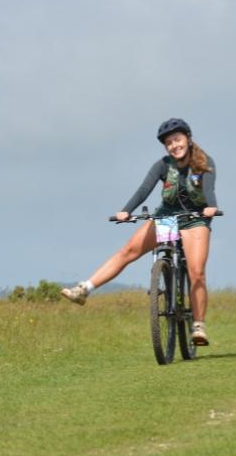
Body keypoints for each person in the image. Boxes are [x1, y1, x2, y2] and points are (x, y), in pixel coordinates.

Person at [61, 118, 219, 346]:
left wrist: (210, 207)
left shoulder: (205, 162)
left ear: (188, 138)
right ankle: (85, 289)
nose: (174, 145)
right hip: (167, 218)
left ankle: (198, 326)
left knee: (196, 272)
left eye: (177, 139)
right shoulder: (163, 165)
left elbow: (209, 189)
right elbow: (145, 189)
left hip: (194, 220)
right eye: (169, 143)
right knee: (129, 251)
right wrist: (126, 211)